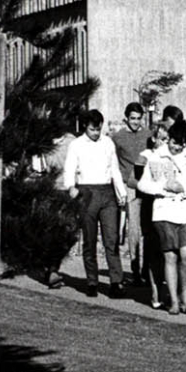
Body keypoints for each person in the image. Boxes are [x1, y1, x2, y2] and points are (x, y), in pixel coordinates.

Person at [138, 122, 186, 314]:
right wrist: (162, 189)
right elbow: (142, 184)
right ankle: (174, 300)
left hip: (185, 209)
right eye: (174, 143)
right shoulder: (157, 155)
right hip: (164, 210)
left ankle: (184, 295)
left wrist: (183, 189)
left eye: (180, 144)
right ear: (169, 139)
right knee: (170, 255)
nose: (177, 147)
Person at [60, 109, 128, 295]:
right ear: (85, 127)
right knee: (89, 240)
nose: (96, 133)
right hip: (86, 192)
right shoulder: (76, 145)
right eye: (92, 129)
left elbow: (114, 169)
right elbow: (69, 169)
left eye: (98, 129)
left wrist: (121, 192)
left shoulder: (107, 143)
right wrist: (71, 187)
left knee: (111, 240)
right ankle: (92, 282)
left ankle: (116, 282)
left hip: (107, 193)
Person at [109, 102, 153, 297]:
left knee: (149, 230)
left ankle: (147, 270)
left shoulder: (149, 135)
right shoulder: (117, 138)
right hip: (130, 187)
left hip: (149, 187)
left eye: (139, 118)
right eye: (132, 118)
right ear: (126, 118)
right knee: (133, 231)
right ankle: (135, 270)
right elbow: (113, 163)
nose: (136, 122)